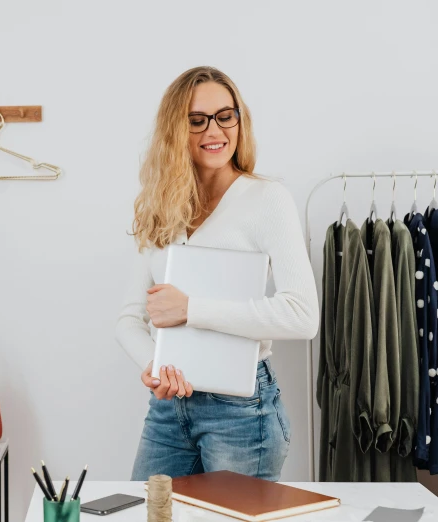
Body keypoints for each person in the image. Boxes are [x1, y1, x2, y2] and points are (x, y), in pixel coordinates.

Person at [115, 66, 319, 482]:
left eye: (226, 115)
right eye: (197, 120)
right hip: (168, 411)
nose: (215, 130)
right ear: (175, 130)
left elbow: (302, 315)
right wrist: (154, 366)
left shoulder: (267, 199)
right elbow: (128, 318)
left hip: (242, 415)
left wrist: (192, 310)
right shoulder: (159, 206)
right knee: (147, 513)